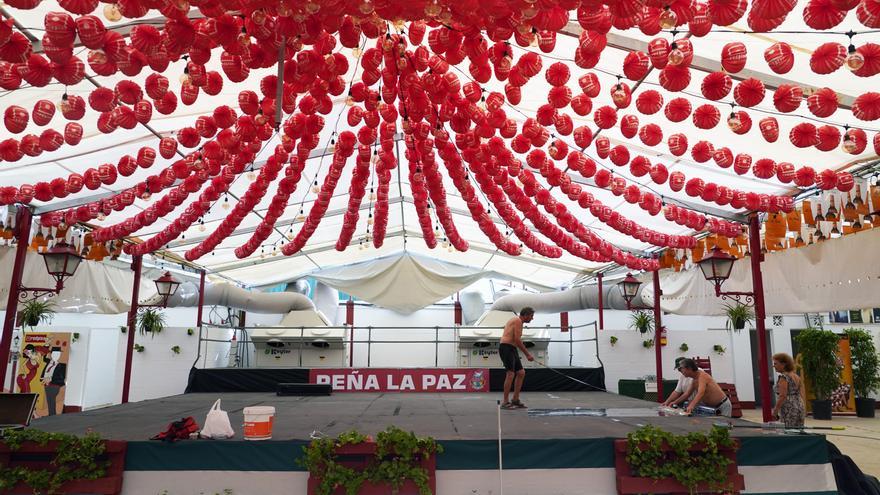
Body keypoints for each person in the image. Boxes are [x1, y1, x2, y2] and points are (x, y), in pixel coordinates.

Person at [499, 307, 535, 410]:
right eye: (531, 316)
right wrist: (527, 354)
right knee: (510, 374)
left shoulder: (517, 321)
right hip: (506, 348)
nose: (532, 319)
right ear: (526, 315)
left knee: (521, 373)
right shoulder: (518, 321)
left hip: (511, 348)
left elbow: (515, 341)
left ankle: (515, 399)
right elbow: (517, 340)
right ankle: (505, 402)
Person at [771, 353, 805, 427]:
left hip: (789, 408)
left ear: (783, 364)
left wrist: (775, 410)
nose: (773, 366)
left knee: (789, 431)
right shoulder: (796, 376)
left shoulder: (784, 377)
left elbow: (782, 396)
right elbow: (801, 393)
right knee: (798, 432)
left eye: (775, 364)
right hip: (799, 405)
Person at [40, 347, 66, 416]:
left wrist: (50, 379)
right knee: (49, 400)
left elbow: (61, 378)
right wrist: (46, 345)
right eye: (54, 354)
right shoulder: (48, 361)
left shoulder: (62, 366)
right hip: (46, 384)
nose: (56, 356)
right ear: (51, 354)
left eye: (58, 354)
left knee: (51, 399)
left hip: (54, 385)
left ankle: (52, 415)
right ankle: (51, 414)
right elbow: (44, 356)